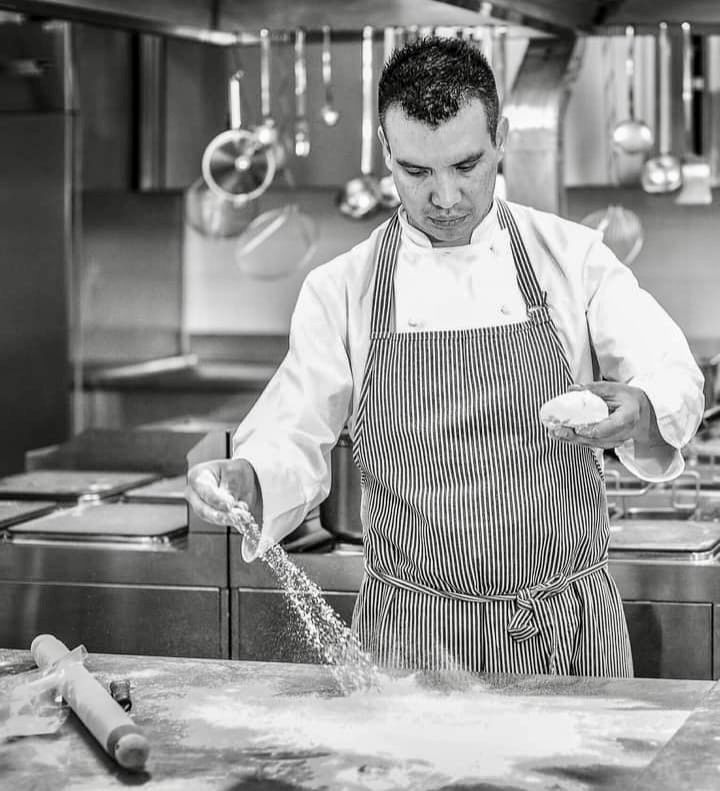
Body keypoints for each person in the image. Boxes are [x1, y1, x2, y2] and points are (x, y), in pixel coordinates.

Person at [186, 37, 704, 677]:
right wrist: (252, 479)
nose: (447, 197)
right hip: (410, 640)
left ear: (501, 139)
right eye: (417, 172)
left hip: (569, 629)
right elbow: (294, 429)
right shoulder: (342, 288)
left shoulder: (574, 259)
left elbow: (670, 369)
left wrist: (645, 407)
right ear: (387, 153)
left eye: (466, 165)